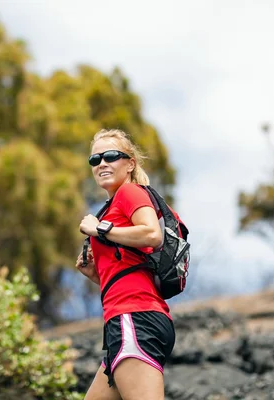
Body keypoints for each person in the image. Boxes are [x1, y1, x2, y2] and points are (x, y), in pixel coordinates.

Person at [76, 128, 176, 400]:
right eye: (95, 160)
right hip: (124, 320)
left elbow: (152, 234)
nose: (102, 164)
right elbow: (130, 269)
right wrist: (95, 274)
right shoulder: (111, 207)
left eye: (111, 156)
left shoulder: (129, 192)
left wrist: (100, 230)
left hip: (135, 317)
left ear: (130, 163)